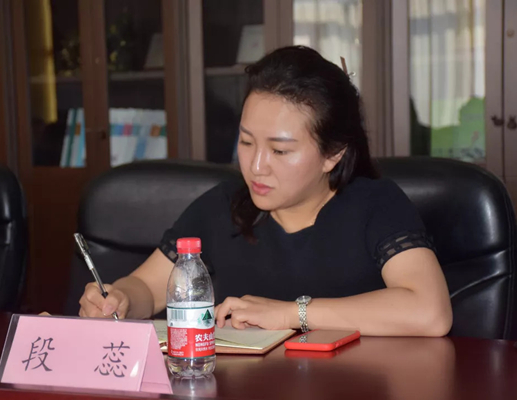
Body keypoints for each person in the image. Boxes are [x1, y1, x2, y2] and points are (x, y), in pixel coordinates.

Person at [79, 46, 453, 337]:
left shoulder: (375, 204)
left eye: (280, 151)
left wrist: (290, 314)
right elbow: (146, 288)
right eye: (246, 142)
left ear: (333, 154)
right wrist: (120, 299)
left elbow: (430, 312)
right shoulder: (222, 206)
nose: (256, 166)